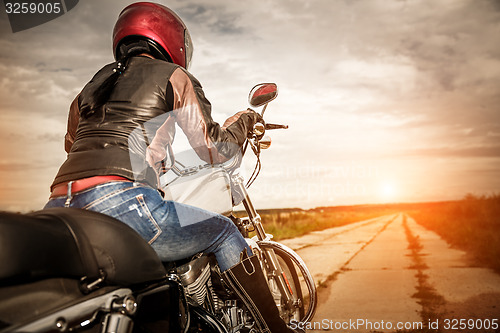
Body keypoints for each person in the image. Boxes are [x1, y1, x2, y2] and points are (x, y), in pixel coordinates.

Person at [44, 3, 303, 333]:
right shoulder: (174, 75)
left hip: (59, 206)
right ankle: (276, 329)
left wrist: (153, 155)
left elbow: (74, 144)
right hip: (123, 202)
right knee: (225, 232)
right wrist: (244, 121)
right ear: (171, 38)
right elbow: (214, 149)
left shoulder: (90, 88)